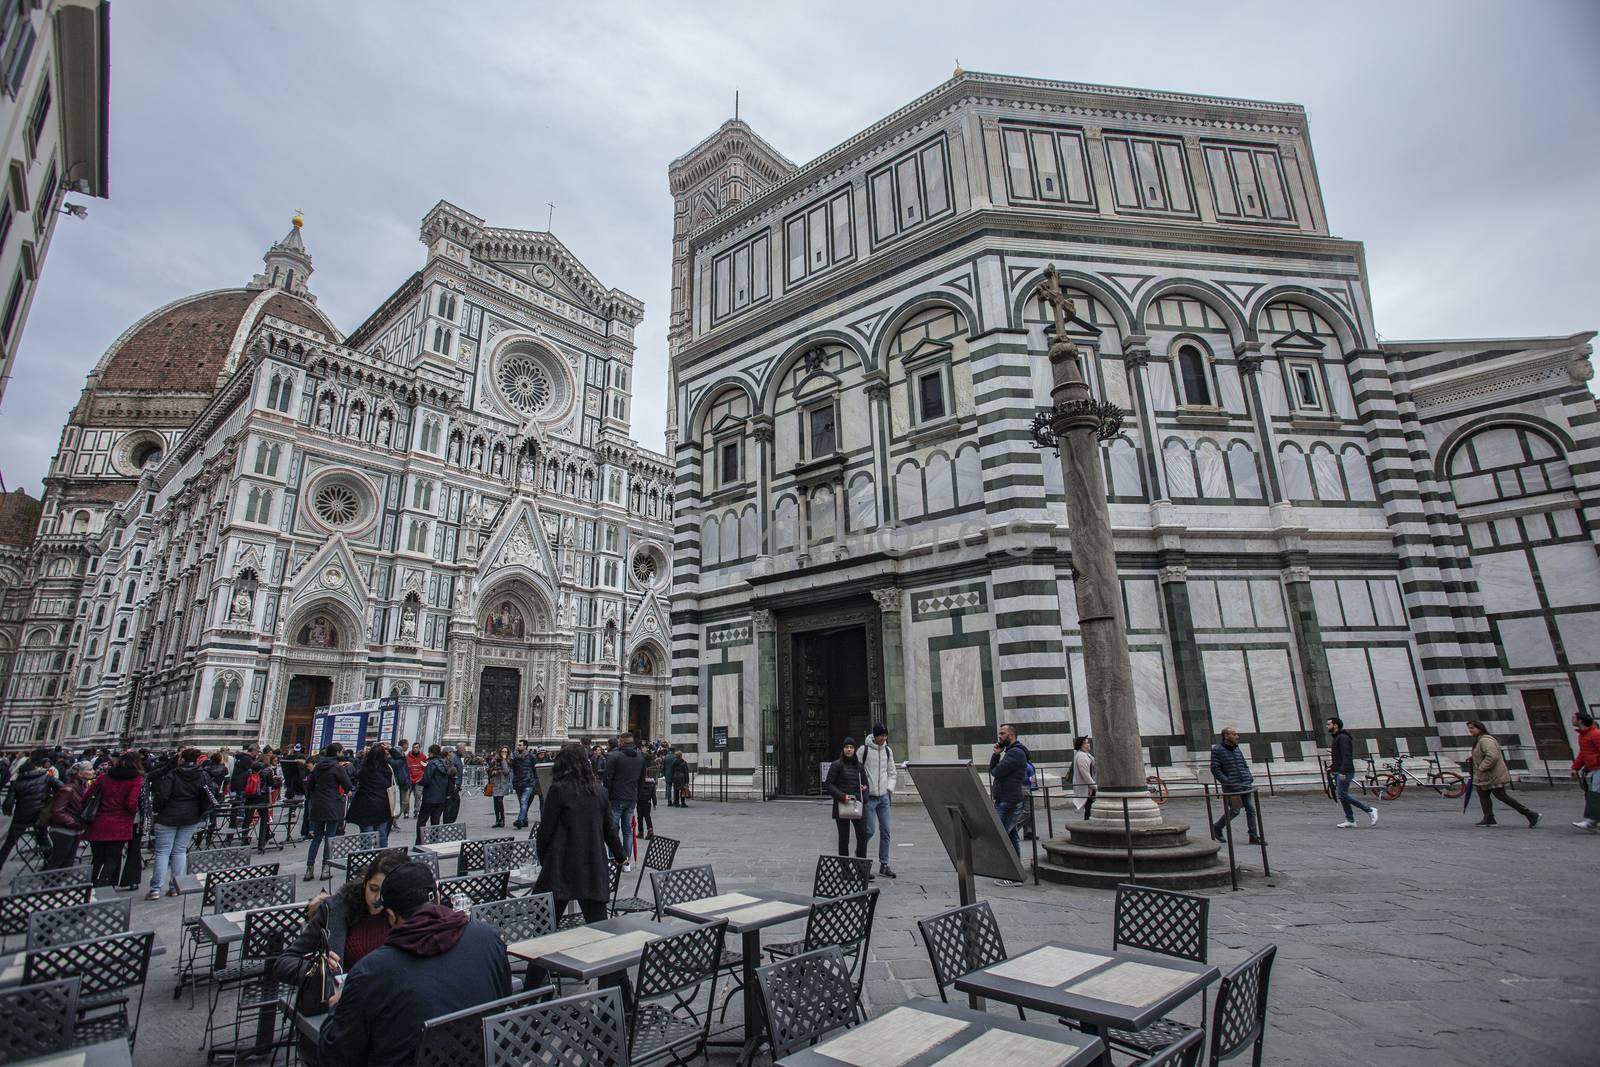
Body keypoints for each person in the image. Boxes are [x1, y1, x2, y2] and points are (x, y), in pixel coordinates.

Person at [317, 861, 512, 1067]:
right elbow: (503, 1001)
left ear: (391, 916)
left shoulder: (370, 971)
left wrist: (337, 1005)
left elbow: (335, 1055)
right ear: (437, 897)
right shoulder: (489, 938)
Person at [534, 743, 628, 926]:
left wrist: (545, 859)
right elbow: (610, 830)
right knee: (598, 925)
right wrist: (620, 855)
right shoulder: (599, 791)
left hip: (562, 864)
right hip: (592, 864)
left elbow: (545, 831)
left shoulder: (558, 789)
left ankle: (538, 953)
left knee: (544, 925)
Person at [148, 747, 212, 899]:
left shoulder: (173, 775)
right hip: (190, 817)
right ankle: (175, 886)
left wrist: (157, 809)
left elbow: (162, 796)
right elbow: (207, 794)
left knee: (163, 852)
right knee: (180, 851)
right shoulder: (202, 775)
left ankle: (155, 889)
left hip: (168, 816)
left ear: (181, 759)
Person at [82, 750, 144, 886]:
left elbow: (87, 796)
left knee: (97, 859)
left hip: (97, 823)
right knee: (112, 859)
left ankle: (90, 887)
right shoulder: (137, 780)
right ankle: (102, 889)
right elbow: (131, 803)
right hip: (119, 825)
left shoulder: (104, 777)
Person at [1466, 720, 1540, 828]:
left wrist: (1481, 767)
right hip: (1485, 775)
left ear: (1480, 728)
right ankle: (1489, 818)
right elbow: (1483, 754)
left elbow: (1492, 756)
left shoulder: (1485, 740)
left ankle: (1530, 814)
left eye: (1472, 728)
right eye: (1469, 728)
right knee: (1483, 794)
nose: (1470, 730)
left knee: (1501, 795)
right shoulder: (1479, 740)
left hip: (1491, 775)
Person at [304, 743, 354, 881]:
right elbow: (347, 784)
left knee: (316, 838)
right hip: (332, 804)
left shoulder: (318, 767)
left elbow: (310, 786)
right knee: (329, 838)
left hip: (318, 804)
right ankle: (325, 868)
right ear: (337, 753)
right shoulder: (337, 767)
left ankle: (309, 869)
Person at [0, 749, 56, 869]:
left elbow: (8, 804)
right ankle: (50, 867)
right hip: (39, 815)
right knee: (43, 839)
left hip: (21, 816)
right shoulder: (46, 778)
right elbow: (62, 788)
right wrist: (50, 802)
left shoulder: (17, 781)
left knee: (8, 844)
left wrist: (8, 811)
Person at [989, 723, 1029, 884]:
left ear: (1011, 735)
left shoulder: (1015, 754)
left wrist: (996, 757)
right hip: (1007, 799)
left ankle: (1011, 875)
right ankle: (1015, 872)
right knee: (1011, 837)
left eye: (1002, 733)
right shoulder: (1012, 752)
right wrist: (996, 755)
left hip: (1009, 801)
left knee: (1001, 837)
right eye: (999, 733)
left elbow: (996, 771)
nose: (1000, 736)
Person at [600, 732, 646, 870]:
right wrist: (636, 795)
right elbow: (641, 780)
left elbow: (607, 778)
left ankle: (614, 861)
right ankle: (626, 863)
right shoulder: (640, 758)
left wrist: (608, 795)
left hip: (615, 798)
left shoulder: (614, 756)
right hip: (631, 798)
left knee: (612, 831)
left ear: (621, 743)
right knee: (628, 831)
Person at [1209, 728, 1260, 844]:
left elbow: (1244, 764)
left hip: (1245, 784)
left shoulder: (1237, 748)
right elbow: (1215, 769)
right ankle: (1217, 827)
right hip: (1232, 787)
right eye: (1234, 734)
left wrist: (1249, 777)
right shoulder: (1217, 750)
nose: (1237, 736)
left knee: (1250, 810)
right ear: (1226, 736)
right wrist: (1227, 781)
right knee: (1235, 810)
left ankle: (1253, 836)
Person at [859, 723, 897, 879]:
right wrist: (861, 786)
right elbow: (855, 769)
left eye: (885, 735)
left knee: (886, 830)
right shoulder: (864, 750)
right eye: (881, 735)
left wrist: (889, 788)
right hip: (869, 797)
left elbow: (892, 772)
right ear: (874, 736)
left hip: (884, 798)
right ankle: (861, 858)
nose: (884, 738)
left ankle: (884, 864)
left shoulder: (888, 751)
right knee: (869, 830)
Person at [823, 739, 870, 862]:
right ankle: (845, 871)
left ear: (854, 750)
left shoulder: (859, 766)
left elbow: (865, 785)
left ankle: (861, 868)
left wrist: (863, 797)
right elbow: (828, 785)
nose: (849, 749)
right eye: (846, 747)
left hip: (857, 805)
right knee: (844, 839)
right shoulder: (836, 765)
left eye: (851, 747)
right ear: (843, 749)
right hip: (842, 805)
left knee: (862, 835)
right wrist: (842, 796)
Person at [1327, 718, 1379, 829]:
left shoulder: (1343, 738)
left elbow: (1347, 756)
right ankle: (1350, 820)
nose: (1327, 726)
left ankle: (1370, 810)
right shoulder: (1337, 737)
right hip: (1339, 770)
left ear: (1335, 725)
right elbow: (1339, 757)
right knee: (1342, 796)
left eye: (1329, 724)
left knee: (1342, 795)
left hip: (1345, 771)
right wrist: (1332, 767)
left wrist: (1342, 771)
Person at [45, 761, 95, 869]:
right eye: (90, 769)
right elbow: (58, 811)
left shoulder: (84, 787)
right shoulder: (68, 789)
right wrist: (75, 823)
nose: (93, 772)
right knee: (58, 861)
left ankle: (61, 884)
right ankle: (48, 884)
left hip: (75, 830)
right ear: (80, 773)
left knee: (68, 861)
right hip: (63, 830)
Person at [348, 744, 395, 848]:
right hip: (383, 804)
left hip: (366, 805)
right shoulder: (388, 769)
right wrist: (390, 748)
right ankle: (383, 858)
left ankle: (366, 857)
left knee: (367, 836)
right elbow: (400, 759)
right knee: (382, 835)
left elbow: (356, 776)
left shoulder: (366, 770)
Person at [414, 745, 453, 845]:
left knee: (422, 820)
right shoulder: (446, 763)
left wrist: (420, 782)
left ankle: (419, 841)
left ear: (431, 752)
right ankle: (434, 841)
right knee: (435, 821)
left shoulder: (431, 764)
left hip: (430, 796)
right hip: (441, 796)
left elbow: (427, 779)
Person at [1570, 711, 1600, 832]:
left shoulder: (1595, 734)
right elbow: (1583, 753)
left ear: (1580, 720)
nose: (1572, 720)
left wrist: (1595, 760)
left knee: (1595, 794)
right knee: (1595, 794)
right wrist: (1575, 767)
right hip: (1594, 768)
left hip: (1598, 768)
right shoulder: (1583, 735)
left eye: (1573, 718)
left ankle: (1591, 822)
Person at [510, 740, 537, 829]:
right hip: (518, 783)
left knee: (523, 802)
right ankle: (525, 820)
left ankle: (520, 820)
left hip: (528, 783)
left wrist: (533, 779)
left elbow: (535, 769)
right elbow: (512, 767)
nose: (518, 746)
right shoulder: (515, 757)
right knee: (522, 803)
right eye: (518, 745)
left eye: (520, 745)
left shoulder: (531, 756)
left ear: (525, 746)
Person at [1071, 735, 1096, 820]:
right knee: (1089, 808)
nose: (1088, 744)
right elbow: (1085, 774)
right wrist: (1093, 785)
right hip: (1087, 787)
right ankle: (1088, 823)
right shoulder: (1082, 756)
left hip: (1089, 786)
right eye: (1086, 743)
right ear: (1082, 745)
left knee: (1090, 807)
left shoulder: (1086, 754)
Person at [638, 748, 659, 841]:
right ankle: (650, 831)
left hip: (640, 798)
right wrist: (654, 802)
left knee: (640, 816)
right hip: (647, 799)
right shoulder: (652, 778)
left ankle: (641, 832)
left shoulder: (640, 776)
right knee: (647, 815)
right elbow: (653, 792)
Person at [488, 746, 511, 828]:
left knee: (500, 800)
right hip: (495, 783)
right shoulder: (495, 760)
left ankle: (502, 819)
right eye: (503, 752)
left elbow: (506, 771)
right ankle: (497, 820)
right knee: (495, 802)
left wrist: (504, 760)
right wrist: (492, 771)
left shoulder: (508, 760)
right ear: (500, 752)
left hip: (503, 783)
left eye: (506, 752)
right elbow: (489, 769)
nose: (504, 753)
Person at [442, 744, 466, 824]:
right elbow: (452, 771)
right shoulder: (454, 758)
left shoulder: (457, 758)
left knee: (453, 803)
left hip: (456, 784)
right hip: (453, 785)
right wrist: (454, 783)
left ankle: (449, 822)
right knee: (452, 804)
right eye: (463, 749)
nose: (464, 751)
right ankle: (448, 822)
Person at [388, 742, 411, 822]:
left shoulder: (403, 760)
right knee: (394, 803)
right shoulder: (393, 761)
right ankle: (393, 820)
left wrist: (408, 781)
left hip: (404, 783)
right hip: (395, 784)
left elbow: (406, 771)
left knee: (405, 802)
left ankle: (394, 818)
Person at [405, 742, 426, 819]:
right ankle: (406, 812)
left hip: (419, 780)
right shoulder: (407, 757)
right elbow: (405, 769)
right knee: (406, 797)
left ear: (419, 748)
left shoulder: (423, 757)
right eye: (414, 747)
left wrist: (421, 777)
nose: (415, 749)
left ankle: (416, 812)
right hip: (409, 780)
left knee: (418, 796)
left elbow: (424, 768)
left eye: (416, 747)